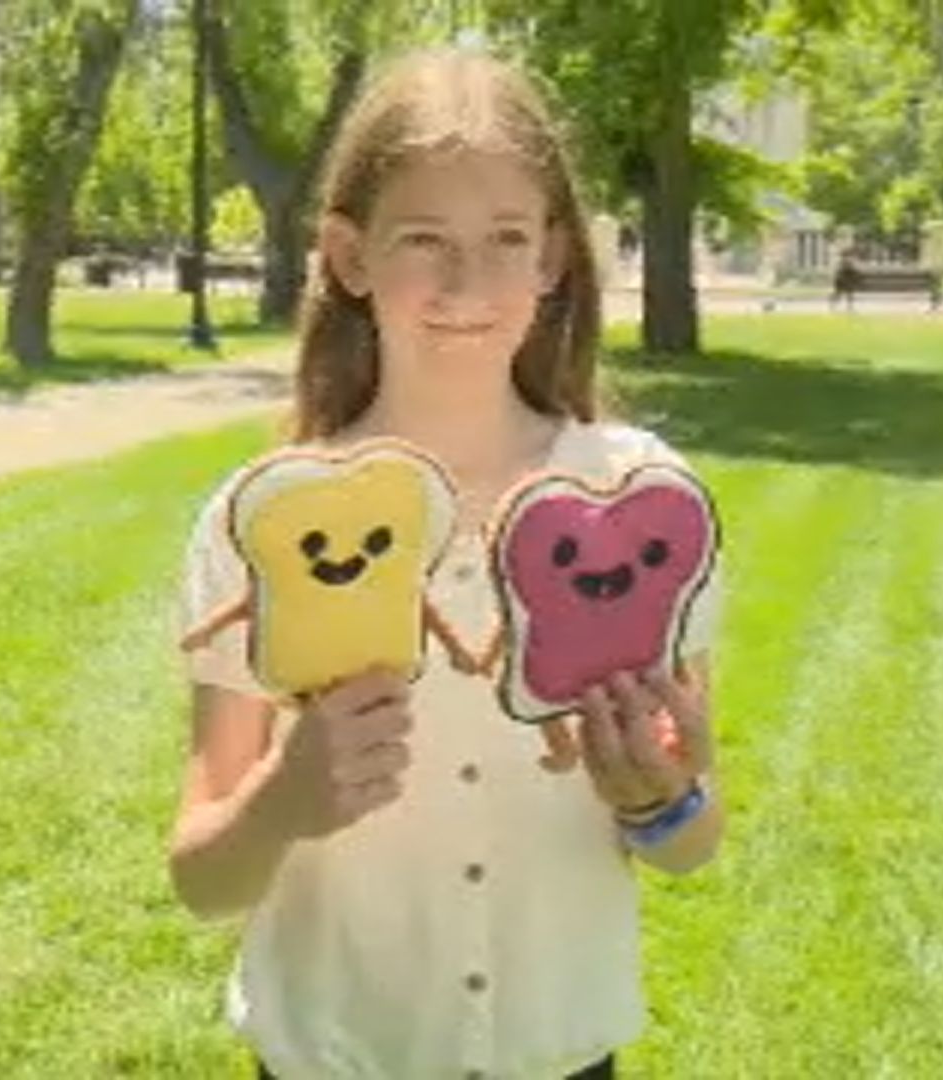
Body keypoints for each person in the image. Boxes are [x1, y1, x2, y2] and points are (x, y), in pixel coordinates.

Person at [169, 48, 726, 1080]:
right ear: (349, 256)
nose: (467, 284)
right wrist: (280, 803)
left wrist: (661, 799)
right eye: (424, 239)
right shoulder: (270, 526)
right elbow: (203, 880)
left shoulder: (641, 506)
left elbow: (694, 844)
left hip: (560, 1055)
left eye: (507, 238)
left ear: (552, 257)